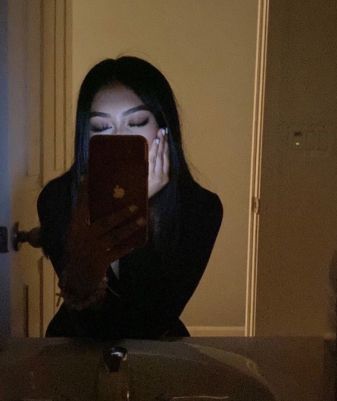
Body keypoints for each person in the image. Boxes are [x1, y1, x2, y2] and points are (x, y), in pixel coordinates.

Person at [37, 56, 223, 340]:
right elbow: (91, 319)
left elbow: (148, 321)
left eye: (136, 122)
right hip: (74, 348)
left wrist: (140, 205)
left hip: (157, 355)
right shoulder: (57, 198)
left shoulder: (201, 208)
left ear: (164, 129)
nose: (118, 139)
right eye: (100, 128)